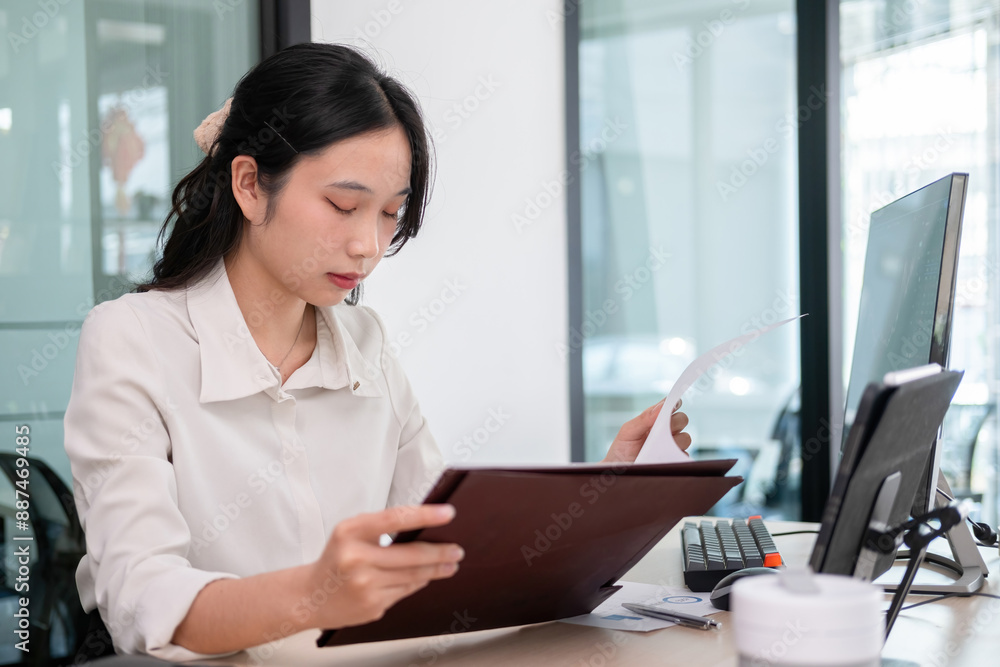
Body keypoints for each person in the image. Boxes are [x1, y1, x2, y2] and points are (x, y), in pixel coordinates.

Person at [63, 42, 691, 661]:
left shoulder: (367, 343)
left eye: (390, 214)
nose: (368, 245)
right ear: (250, 185)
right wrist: (313, 595)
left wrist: (607, 495)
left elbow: (448, 548)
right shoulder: (132, 339)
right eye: (343, 204)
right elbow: (142, 595)